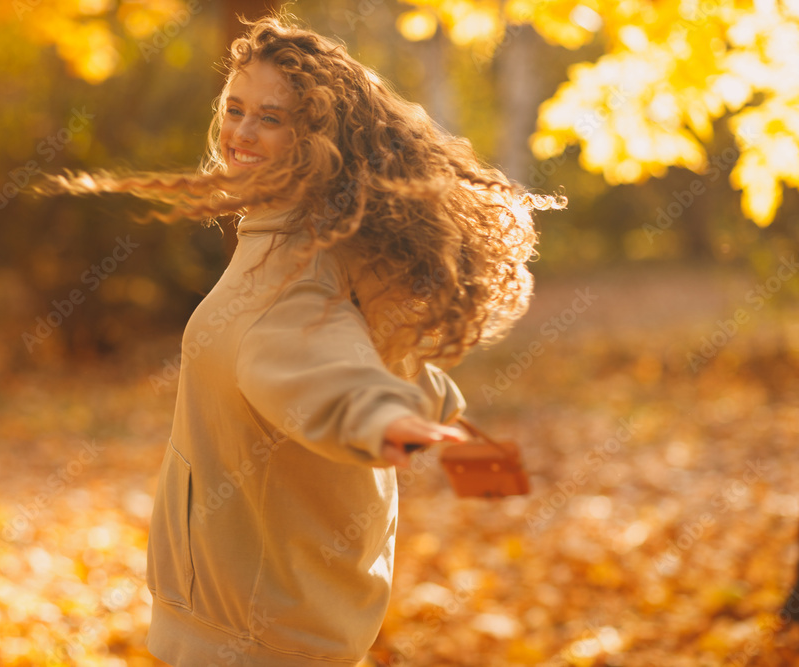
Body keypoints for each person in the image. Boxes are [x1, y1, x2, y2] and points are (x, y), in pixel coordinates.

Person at [44, 12, 563, 666]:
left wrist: (378, 419)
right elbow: (373, 356)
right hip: (259, 621)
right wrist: (450, 426)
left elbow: (324, 368)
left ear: (315, 137)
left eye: (270, 117)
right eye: (235, 109)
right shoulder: (309, 236)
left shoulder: (294, 269)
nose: (240, 131)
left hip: (252, 639)